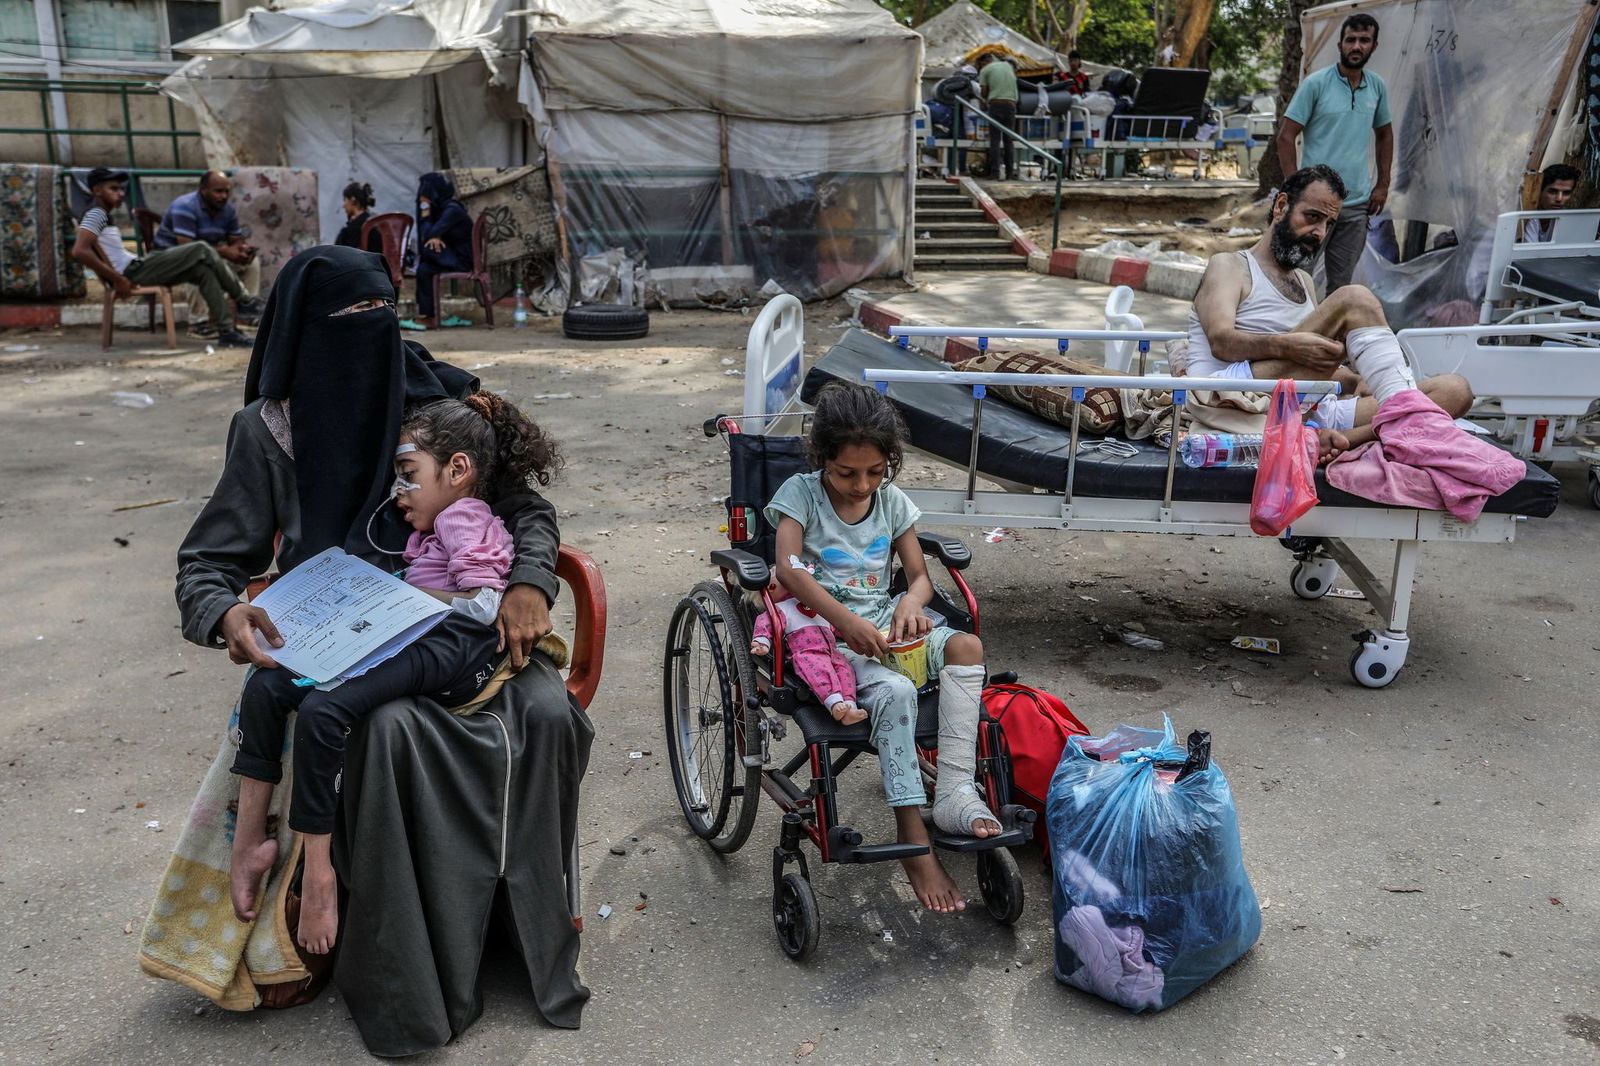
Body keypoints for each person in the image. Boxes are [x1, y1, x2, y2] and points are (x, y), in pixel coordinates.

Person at [169, 245, 591, 1054]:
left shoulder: (438, 399)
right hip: (338, 628)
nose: (369, 339)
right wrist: (223, 611)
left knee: (544, 712)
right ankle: (385, 950)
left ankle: (509, 933)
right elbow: (209, 560)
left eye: (380, 315)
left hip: (456, 623)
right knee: (380, 729)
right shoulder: (271, 429)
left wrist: (529, 583)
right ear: (303, 334)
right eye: (346, 323)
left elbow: (523, 513)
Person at [228, 391, 559, 956]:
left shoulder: (463, 517)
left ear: (458, 470)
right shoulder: (439, 519)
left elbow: (482, 605)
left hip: (459, 649)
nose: (399, 492)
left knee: (324, 710)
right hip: (418, 630)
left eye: (408, 475)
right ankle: (249, 841)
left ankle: (319, 876)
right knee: (264, 685)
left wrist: (399, 594)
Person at [764, 382, 1002, 915]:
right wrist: (844, 621)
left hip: (885, 629)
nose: (860, 485)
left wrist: (908, 604)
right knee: (894, 690)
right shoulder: (800, 495)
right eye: (846, 473)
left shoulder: (891, 502)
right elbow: (788, 568)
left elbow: (919, 577)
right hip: (823, 635)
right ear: (822, 457)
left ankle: (956, 792)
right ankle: (911, 833)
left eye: (874, 472)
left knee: (966, 645)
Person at [1186, 164, 1472, 460]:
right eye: (1312, 218)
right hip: (1234, 397)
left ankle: (1344, 438)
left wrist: (1354, 379)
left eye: (1328, 224)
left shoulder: (1304, 281)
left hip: (1301, 405)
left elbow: (1314, 363)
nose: (1319, 233)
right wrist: (1288, 347)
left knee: (1454, 391)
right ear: (1281, 205)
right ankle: (1399, 410)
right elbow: (1220, 341)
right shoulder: (1229, 265)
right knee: (1353, 298)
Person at [71, 167, 253, 348]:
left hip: (135, 268)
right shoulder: (96, 213)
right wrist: (117, 280)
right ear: (97, 191)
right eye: (113, 189)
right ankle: (244, 300)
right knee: (201, 248)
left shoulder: (102, 214)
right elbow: (79, 251)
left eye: (121, 189)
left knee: (203, 271)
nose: (120, 193)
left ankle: (228, 331)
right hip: (131, 273)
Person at [1277, 12, 1393, 292]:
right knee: (1297, 277)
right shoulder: (1316, 84)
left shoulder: (1376, 86)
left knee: (1341, 285)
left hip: (1356, 203)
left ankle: (1330, 337)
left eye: (1364, 40)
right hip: (1314, 203)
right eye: (1350, 40)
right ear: (1339, 44)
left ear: (1374, 45)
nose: (1356, 46)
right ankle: (1292, 335)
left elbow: (1385, 134)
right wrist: (1296, 190)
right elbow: (1285, 137)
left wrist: (1383, 183)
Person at [748, 573, 866, 726]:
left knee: (845, 669)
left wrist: (855, 636)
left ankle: (850, 706)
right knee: (819, 670)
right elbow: (766, 623)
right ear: (772, 589)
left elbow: (838, 626)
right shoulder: (781, 609)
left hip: (831, 651)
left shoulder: (818, 605)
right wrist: (762, 642)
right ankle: (834, 703)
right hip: (806, 652)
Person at [153, 170, 264, 328]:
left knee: (251, 264)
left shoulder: (227, 210)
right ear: (203, 189)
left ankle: (246, 315)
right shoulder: (185, 206)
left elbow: (235, 239)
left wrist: (241, 250)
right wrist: (227, 252)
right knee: (198, 265)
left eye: (226, 191)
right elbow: (188, 249)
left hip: (209, 255)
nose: (224, 196)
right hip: (172, 259)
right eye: (218, 191)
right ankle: (199, 323)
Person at [405, 171, 474, 331]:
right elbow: (429, 235)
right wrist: (434, 238)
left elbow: (427, 235)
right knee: (423, 269)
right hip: (452, 257)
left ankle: (430, 317)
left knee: (427, 250)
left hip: (462, 260)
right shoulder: (444, 208)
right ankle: (430, 317)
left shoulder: (452, 209)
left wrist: (425, 209)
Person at [975, 53, 1018, 182]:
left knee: (995, 140)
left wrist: (984, 99)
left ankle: (995, 173)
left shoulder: (985, 70)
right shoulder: (1007, 66)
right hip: (1011, 104)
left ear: (984, 62)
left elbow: (983, 92)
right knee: (1008, 140)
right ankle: (1010, 173)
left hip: (996, 105)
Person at [1520, 163, 1580, 243]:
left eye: (1566, 193)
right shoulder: (1529, 218)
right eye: (1553, 192)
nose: (1559, 198)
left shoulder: (1562, 220)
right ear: (1540, 191)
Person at [334, 180, 382, 252]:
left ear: (353, 200)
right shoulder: (377, 223)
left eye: (345, 200)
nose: (343, 205)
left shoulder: (351, 229)